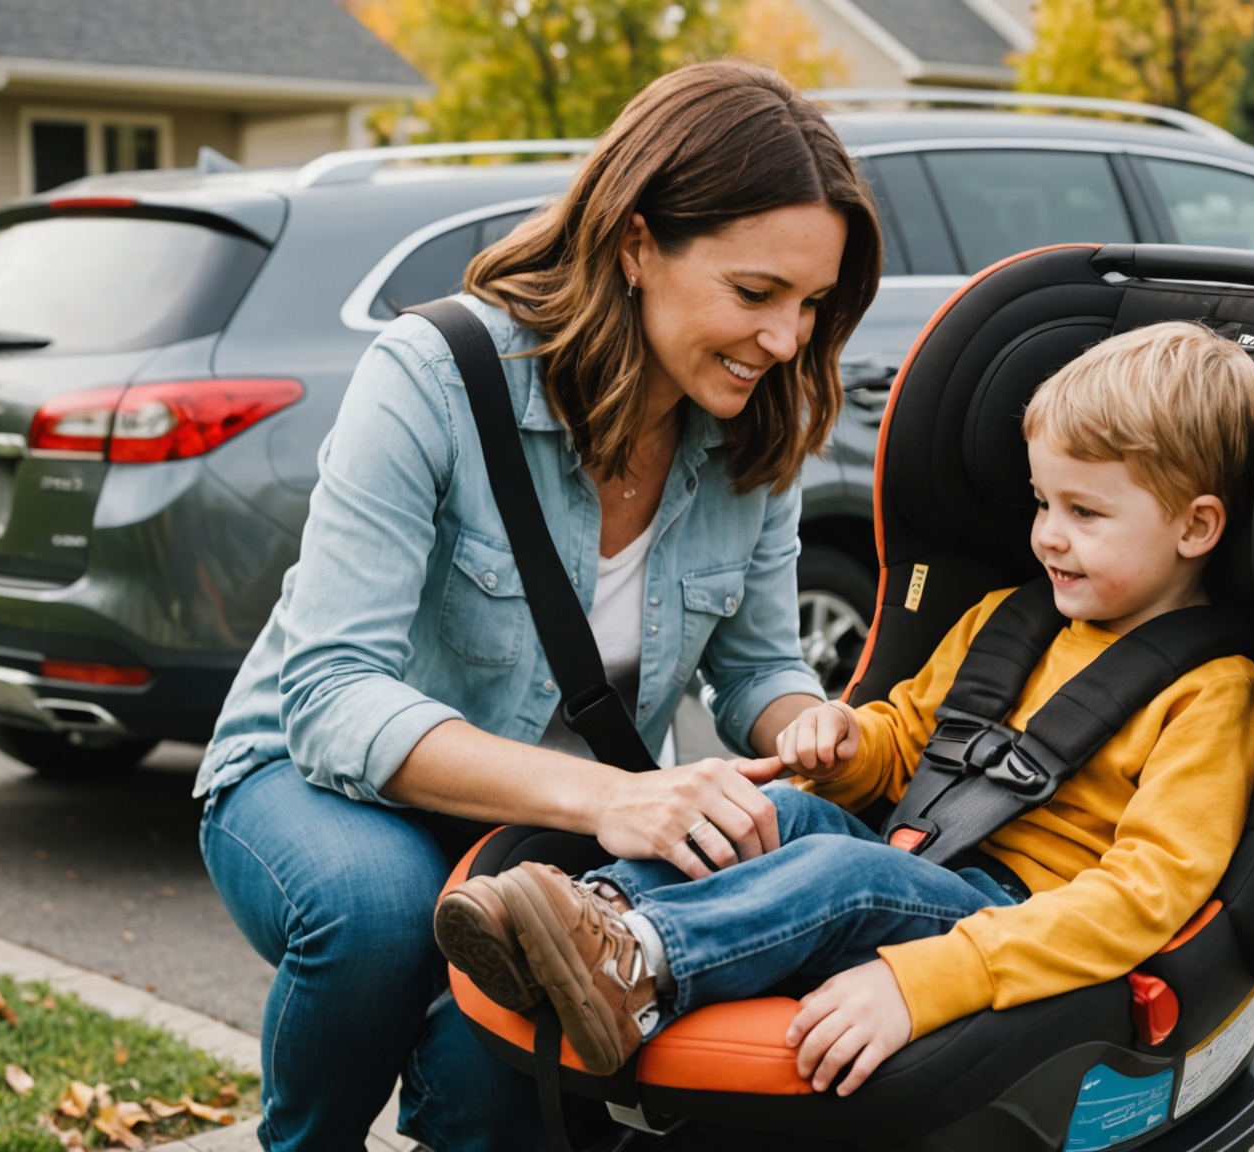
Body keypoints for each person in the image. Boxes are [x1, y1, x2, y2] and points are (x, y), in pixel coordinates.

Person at [194, 62, 882, 1152]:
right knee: (380, 914)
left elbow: (756, 668)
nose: (789, 341)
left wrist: (804, 718)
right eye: (756, 295)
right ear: (635, 244)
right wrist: (610, 799)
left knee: (513, 1054)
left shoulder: (760, 425)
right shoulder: (431, 374)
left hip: (546, 821)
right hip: (312, 779)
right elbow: (327, 697)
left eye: (812, 305)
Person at [439, 320, 1254, 1095]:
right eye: (1044, 504)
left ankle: (637, 967)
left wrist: (932, 977)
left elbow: (1143, 897)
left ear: (1195, 528)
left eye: (1085, 514)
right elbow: (910, 739)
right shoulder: (1008, 624)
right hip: (921, 860)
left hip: (1015, 922)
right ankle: (592, 915)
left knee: (846, 872)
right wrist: (845, 741)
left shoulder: (1212, 693)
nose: (1049, 536)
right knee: (770, 810)